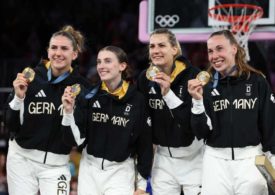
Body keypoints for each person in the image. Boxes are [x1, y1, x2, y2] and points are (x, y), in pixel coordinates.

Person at [187, 29, 275, 195]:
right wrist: (197, 101)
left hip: (251, 160)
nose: (214, 56)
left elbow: (270, 124)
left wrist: (274, 161)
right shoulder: (204, 86)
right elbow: (200, 132)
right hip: (215, 162)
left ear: (234, 48)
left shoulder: (257, 81)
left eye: (219, 48)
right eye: (210, 51)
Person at [5, 25, 89, 195]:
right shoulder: (29, 78)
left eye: (64, 48)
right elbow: (11, 126)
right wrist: (18, 98)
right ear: (48, 51)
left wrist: (68, 112)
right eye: (54, 47)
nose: (58, 53)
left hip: (56, 166)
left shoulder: (81, 89)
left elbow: (76, 140)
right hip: (22, 160)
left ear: (74, 54)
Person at [61, 45, 153, 195]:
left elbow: (144, 145)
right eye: (99, 62)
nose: (101, 66)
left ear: (122, 66)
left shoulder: (138, 100)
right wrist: (68, 112)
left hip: (120, 172)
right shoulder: (89, 95)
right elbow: (75, 140)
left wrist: (142, 185)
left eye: (108, 61)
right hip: (89, 170)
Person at [138, 28, 204, 195]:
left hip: (194, 159)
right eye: (152, 46)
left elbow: (192, 124)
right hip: (163, 161)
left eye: (162, 45)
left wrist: (167, 93)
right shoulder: (144, 79)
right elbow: (143, 124)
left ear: (174, 49)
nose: (156, 50)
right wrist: (141, 174)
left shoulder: (194, 76)